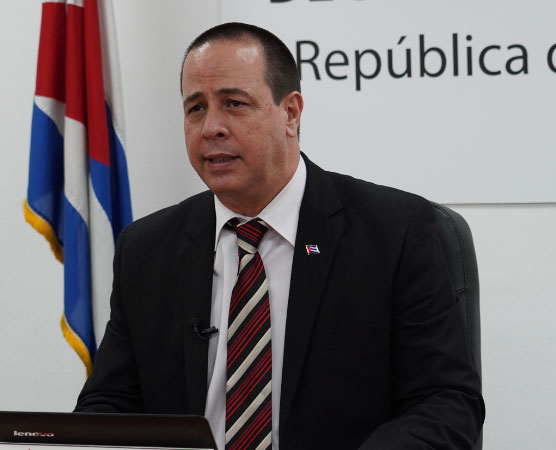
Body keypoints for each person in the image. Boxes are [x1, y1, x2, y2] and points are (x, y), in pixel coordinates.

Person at [74, 22, 485, 450]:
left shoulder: (396, 232)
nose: (211, 127)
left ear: (290, 113)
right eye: (195, 108)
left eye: (234, 103)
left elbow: (446, 403)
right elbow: (110, 402)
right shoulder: (146, 249)